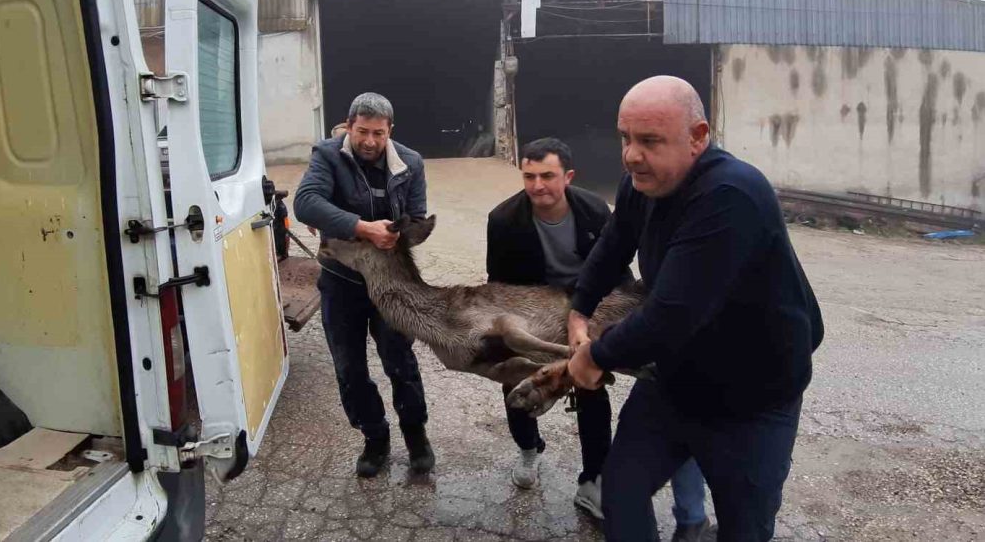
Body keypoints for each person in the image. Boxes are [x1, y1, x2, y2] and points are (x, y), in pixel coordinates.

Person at [566, 75, 824, 541]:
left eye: (649, 141)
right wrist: (579, 310)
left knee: (744, 528)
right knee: (621, 493)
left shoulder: (730, 195)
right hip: (676, 383)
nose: (630, 155)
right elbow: (613, 245)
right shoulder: (640, 184)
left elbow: (670, 314)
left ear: (698, 138)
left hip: (754, 400)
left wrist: (594, 356)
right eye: (625, 138)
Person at [487, 138, 709, 536]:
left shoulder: (592, 209)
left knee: (591, 385)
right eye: (529, 176)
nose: (538, 186)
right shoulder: (503, 220)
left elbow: (615, 264)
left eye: (547, 176)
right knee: (514, 384)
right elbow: (498, 286)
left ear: (568, 177)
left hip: (585, 308)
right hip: (532, 311)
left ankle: (592, 480)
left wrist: (615, 316)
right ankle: (528, 449)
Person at [294, 92, 435, 478]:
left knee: (401, 363)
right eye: (362, 132)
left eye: (378, 133)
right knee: (349, 369)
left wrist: (403, 231)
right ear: (349, 125)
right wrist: (359, 227)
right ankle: (374, 438)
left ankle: (416, 437)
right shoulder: (327, 156)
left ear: (390, 131)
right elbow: (305, 202)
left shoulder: (411, 162)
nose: (370, 142)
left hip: (391, 287)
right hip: (341, 283)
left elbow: (417, 216)